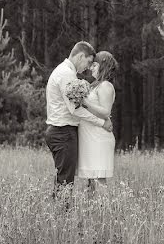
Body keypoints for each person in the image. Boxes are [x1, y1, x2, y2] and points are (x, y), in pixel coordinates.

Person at [44, 41, 112, 199]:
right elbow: (75, 108)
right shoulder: (66, 74)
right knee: (66, 180)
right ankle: (63, 216)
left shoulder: (64, 71)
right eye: (88, 62)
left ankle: (59, 213)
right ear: (81, 56)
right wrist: (102, 123)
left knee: (63, 177)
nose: (88, 68)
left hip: (60, 131)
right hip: (63, 132)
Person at [76, 51, 117, 189]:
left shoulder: (106, 86)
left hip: (99, 138)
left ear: (103, 66)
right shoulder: (95, 85)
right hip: (89, 137)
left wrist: (84, 102)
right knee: (90, 179)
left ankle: (103, 210)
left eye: (94, 65)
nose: (91, 68)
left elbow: (106, 112)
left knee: (99, 179)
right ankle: (92, 210)